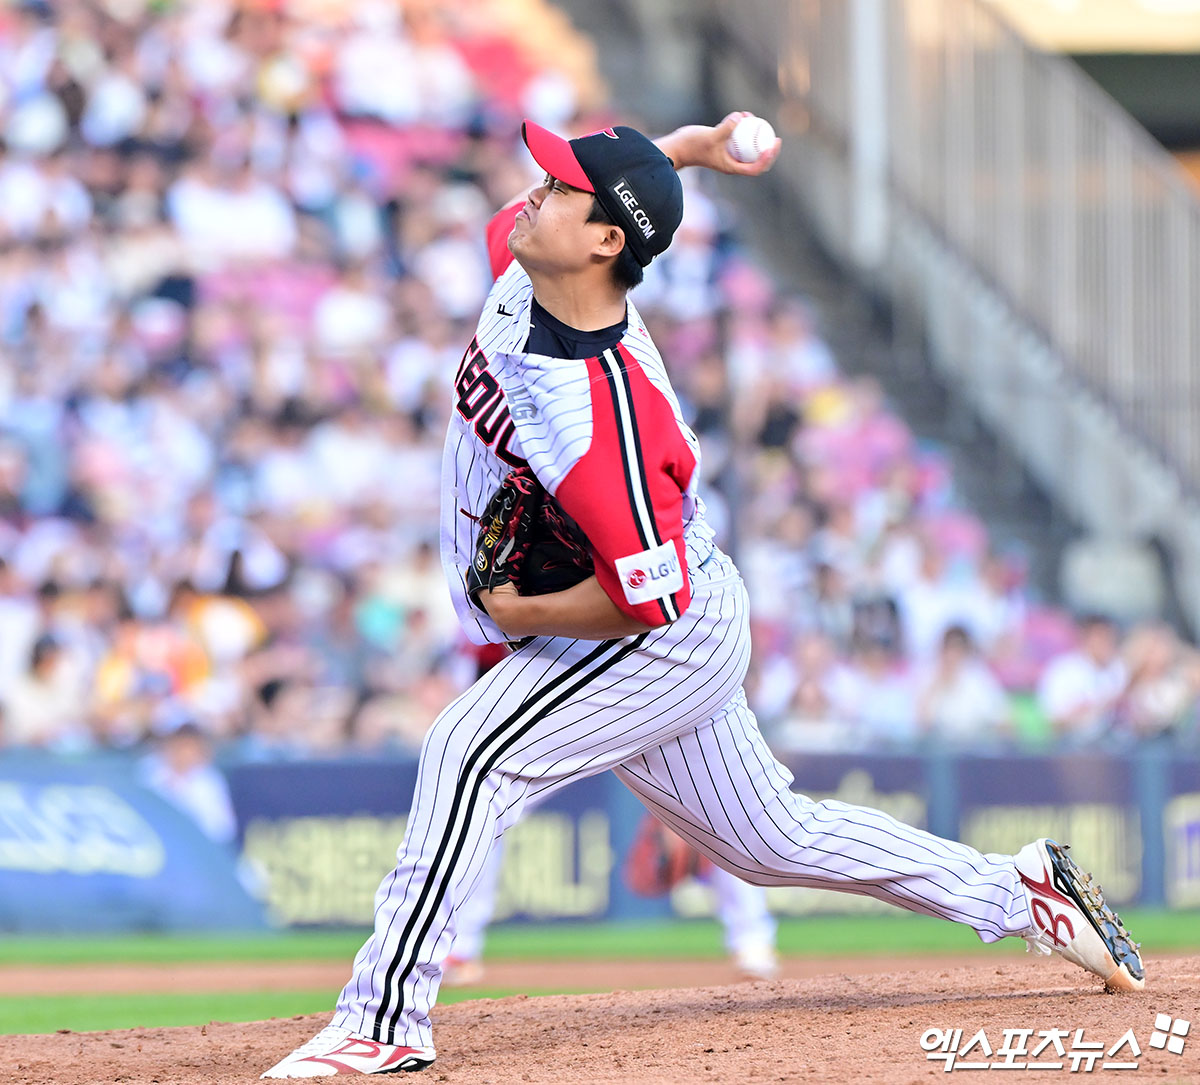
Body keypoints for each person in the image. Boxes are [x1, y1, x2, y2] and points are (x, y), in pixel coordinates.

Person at [262, 113, 1144, 1079]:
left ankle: (384, 1018)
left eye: (558, 190)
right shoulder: (529, 266)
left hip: (658, 636)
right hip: (663, 608)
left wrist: (523, 614)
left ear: (604, 242)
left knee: (469, 754)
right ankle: (1021, 889)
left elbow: (650, 598)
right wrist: (685, 150)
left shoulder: (605, 421)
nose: (532, 196)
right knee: (770, 841)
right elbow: (596, 204)